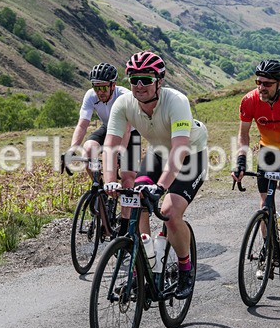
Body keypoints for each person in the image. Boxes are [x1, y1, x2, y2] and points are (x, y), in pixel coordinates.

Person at [102, 51, 208, 300]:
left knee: (170, 215)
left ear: (159, 81)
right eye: (134, 79)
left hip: (189, 156)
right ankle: (145, 267)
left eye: (146, 79)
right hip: (159, 153)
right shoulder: (124, 104)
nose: (139, 85)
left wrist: (160, 188)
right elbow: (111, 145)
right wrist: (109, 180)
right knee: (137, 201)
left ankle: (185, 269)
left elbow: (180, 150)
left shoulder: (176, 101)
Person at [232, 59, 280, 277]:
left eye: (267, 83)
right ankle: (267, 251)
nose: (261, 87)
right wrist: (240, 160)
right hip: (268, 150)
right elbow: (244, 135)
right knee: (265, 203)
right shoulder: (249, 101)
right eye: (258, 82)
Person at [66, 63, 138, 234]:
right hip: (108, 127)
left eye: (104, 87)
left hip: (130, 132)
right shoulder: (91, 96)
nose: (100, 92)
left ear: (113, 85)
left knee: (128, 178)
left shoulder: (125, 96)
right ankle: (102, 189)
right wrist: (72, 149)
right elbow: (83, 124)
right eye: (96, 87)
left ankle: (126, 226)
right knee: (89, 148)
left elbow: (126, 129)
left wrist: (118, 153)